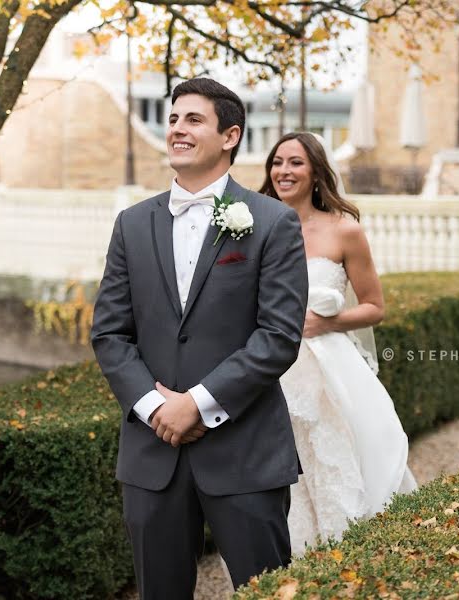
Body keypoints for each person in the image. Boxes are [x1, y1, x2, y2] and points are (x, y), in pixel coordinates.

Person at [90, 78, 309, 599]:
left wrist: (198, 404)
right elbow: (110, 332)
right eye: (172, 119)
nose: (178, 130)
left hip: (245, 452)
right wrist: (154, 407)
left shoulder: (273, 222)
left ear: (230, 135)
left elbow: (279, 335)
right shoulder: (131, 224)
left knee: (266, 592)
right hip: (151, 454)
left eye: (193, 120)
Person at [259, 132, 418, 553]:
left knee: (332, 463)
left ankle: (343, 558)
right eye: (277, 162)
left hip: (328, 369)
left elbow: (374, 307)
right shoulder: (253, 227)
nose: (283, 171)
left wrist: (325, 323)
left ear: (315, 172)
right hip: (268, 369)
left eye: (295, 162)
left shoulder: (345, 232)